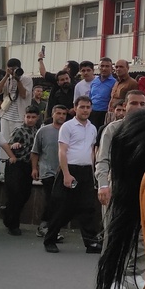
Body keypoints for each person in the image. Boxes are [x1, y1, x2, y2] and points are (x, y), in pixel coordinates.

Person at [96, 90, 145, 289]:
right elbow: (103, 160)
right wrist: (103, 185)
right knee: (114, 232)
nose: (138, 107)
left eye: (143, 103)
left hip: (142, 188)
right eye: (134, 103)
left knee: (141, 234)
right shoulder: (113, 129)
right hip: (116, 187)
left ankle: (133, 273)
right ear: (125, 106)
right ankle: (111, 276)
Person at [43, 96, 101, 254]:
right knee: (61, 207)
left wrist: (94, 171)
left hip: (86, 171)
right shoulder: (67, 126)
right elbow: (62, 151)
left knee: (88, 208)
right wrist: (66, 174)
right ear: (75, 108)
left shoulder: (92, 128)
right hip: (69, 170)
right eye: (82, 107)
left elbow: (92, 151)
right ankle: (50, 240)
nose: (85, 110)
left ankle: (91, 243)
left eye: (88, 107)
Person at [2, 105, 41, 236]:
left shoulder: (38, 132)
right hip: (16, 165)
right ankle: (13, 224)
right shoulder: (19, 130)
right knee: (15, 194)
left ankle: (8, 213)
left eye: (33, 117)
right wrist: (14, 146)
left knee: (25, 194)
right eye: (28, 117)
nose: (30, 120)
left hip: (29, 166)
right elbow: (9, 144)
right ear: (24, 117)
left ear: (37, 118)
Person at [31, 105, 67, 239]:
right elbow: (35, 152)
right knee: (51, 200)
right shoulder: (43, 131)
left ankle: (53, 228)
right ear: (52, 114)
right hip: (47, 171)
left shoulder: (68, 130)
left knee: (60, 202)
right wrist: (35, 168)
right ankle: (44, 227)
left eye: (64, 114)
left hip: (64, 172)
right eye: (58, 113)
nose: (61, 116)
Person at [0, 57, 33, 148]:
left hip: (20, 115)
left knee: (17, 141)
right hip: (5, 114)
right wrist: (6, 76)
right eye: (11, 69)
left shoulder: (27, 79)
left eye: (15, 69)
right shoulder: (8, 79)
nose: (13, 71)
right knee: (4, 141)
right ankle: (4, 161)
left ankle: (15, 160)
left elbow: (24, 95)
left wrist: (18, 80)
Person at [88, 58, 116, 128]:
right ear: (98, 67)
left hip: (105, 113)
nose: (104, 68)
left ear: (111, 68)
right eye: (102, 66)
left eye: (107, 66)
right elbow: (90, 97)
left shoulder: (115, 82)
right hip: (92, 113)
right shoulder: (94, 81)